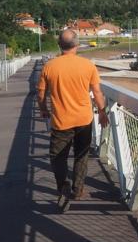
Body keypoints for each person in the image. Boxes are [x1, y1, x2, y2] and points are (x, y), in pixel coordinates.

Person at [37, 29, 109, 212]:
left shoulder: (50, 67)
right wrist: (102, 111)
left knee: (57, 156)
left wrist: (44, 109)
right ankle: (78, 190)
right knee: (81, 154)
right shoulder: (88, 66)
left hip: (61, 121)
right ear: (77, 45)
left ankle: (63, 186)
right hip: (84, 119)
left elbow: (41, 93)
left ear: (59, 45)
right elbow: (97, 92)